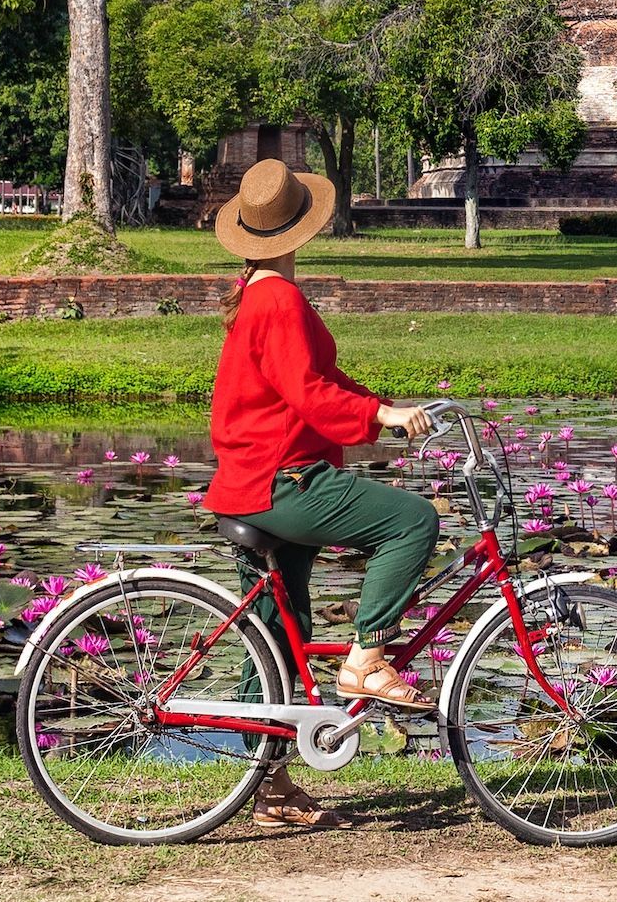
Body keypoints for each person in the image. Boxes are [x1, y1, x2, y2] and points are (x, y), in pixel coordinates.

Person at [205, 156, 442, 831]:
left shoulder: (259, 289)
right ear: (297, 229)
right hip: (280, 478)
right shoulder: (276, 297)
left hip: (254, 478)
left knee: (278, 632)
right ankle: (367, 658)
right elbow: (306, 393)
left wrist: (383, 408)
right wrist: (377, 419)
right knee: (412, 520)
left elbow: (323, 377)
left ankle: (267, 783)